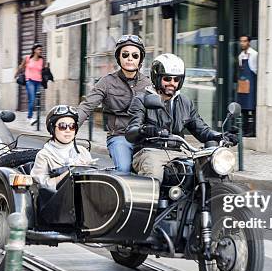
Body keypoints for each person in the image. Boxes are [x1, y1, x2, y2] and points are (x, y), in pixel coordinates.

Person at [126, 53, 238, 182]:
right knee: (154, 177)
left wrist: (221, 136)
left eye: (176, 79)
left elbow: (201, 129)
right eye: (167, 79)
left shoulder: (185, 102)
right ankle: (152, 201)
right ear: (156, 78)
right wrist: (143, 130)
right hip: (150, 152)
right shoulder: (142, 100)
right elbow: (130, 132)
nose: (172, 83)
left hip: (179, 152)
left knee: (209, 170)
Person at [77, 35, 152, 173]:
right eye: (125, 54)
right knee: (124, 169)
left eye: (135, 55)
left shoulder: (148, 84)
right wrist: (70, 126)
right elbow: (87, 105)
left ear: (140, 59)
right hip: (119, 136)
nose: (130, 58)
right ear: (119, 57)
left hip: (144, 138)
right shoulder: (106, 82)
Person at [30, 105, 94, 191]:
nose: (68, 130)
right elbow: (41, 185)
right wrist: (69, 172)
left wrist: (87, 168)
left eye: (72, 126)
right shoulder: (44, 155)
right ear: (53, 129)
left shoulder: (82, 151)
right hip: (58, 201)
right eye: (62, 126)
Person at [17, 43, 45, 125]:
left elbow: (43, 69)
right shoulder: (27, 58)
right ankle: (29, 117)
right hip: (29, 81)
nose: (40, 51)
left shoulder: (42, 60)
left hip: (38, 81)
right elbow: (21, 67)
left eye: (41, 50)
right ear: (34, 50)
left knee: (36, 100)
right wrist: (16, 74)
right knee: (32, 99)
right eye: (39, 49)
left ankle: (36, 117)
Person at [237, 35, 258, 137]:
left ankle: (252, 130)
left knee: (252, 108)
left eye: (244, 41)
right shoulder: (240, 56)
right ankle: (244, 130)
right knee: (244, 108)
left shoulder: (254, 54)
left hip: (251, 84)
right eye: (241, 41)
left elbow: (256, 71)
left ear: (249, 42)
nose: (242, 43)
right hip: (243, 84)